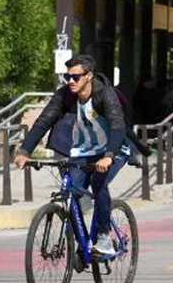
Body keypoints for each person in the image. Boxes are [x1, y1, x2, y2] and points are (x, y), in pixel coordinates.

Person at [14, 55, 128, 257]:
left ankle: (104, 237)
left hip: (113, 149)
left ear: (89, 76)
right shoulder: (65, 95)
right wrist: (25, 151)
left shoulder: (105, 95)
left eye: (76, 77)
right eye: (68, 77)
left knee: (98, 183)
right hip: (84, 150)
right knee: (71, 194)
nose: (71, 82)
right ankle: (83, 245)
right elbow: (44, 121)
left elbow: (118, 127)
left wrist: (109, 156)